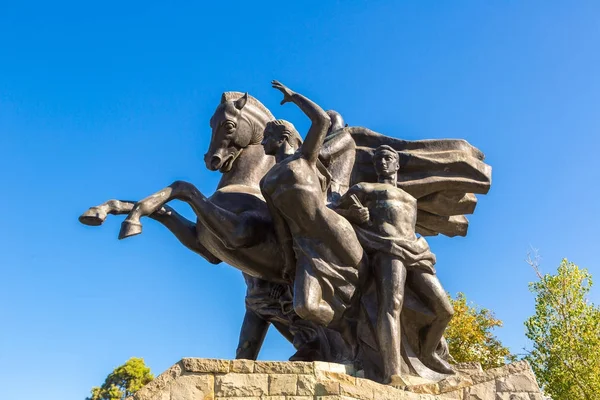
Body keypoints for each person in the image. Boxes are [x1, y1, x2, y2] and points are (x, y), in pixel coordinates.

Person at [335, 145, 455, 382]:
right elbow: (331, 212)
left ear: (397, 164)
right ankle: (394, 372)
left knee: (444, 310)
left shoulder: (411, 198)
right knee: (392, 305)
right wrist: (353, 215)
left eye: (387, 158)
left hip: (416, 252)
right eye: (377, 159)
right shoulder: (364, 189)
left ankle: (428, 352)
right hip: (386, 249)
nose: (382, 162)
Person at [260, 80, 364, 328]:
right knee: (304, 307)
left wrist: (294, 96)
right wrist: (288, 261)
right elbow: (281, 224)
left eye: (266, 137)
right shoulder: (266, 181)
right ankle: (348, 329)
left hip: (332, 229)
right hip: (304, 246)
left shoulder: (305, 157)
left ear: (282, 137)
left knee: (365, 283)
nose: (262, 143)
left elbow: (322, 121)